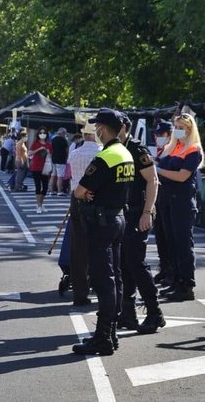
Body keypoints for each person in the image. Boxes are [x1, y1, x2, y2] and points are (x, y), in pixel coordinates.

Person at [71, 108, 134, 356]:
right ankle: (111, 332)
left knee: (102, 280)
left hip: (101, 223)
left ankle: (102, 337)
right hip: (118, 218)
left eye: (98, 126)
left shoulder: (105, 157)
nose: (96, 130)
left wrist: (84, 192)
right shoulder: (125, 153)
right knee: (115, 277)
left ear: (104, 129)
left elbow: (79, 191)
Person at [116, 114, 165, 334]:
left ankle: (155, 313)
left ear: (124, 127)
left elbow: (153, 180)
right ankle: (128, 313)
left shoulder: (136, 148)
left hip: (138, 213)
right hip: (123, 213)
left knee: (136, 263)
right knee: (124, 264)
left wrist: (147, 211)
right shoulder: (115, 148)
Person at [156, 112, 204, 302]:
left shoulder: (193, 150)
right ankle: (175, 280)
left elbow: (182, 176)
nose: (177, 130)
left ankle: (186, 284)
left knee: (183, 244)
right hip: (167, 199)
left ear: (190, 130)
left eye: (181, 127)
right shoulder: (172, 147)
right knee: (171, 242)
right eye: (176, 127)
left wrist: (158, 170)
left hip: (182, 202)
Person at [66, 122, 101, 306]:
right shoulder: (102, 152)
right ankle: (98, 284)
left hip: (76, 198)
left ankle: (79, 291)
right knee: (100, 245)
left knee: (78, 247)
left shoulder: (75, 153)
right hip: (96, 199)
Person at [152, 120, 174, 287]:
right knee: (160, 235)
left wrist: (156, 167)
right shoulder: (158, 151)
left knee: (169, 237)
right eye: (157, 134)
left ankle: (172, 271)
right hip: (158, 199)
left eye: (162, 135)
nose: (158, 137)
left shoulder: (173, 151)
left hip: (169, 197)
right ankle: (164, 267)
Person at [29, 127, 53, 214]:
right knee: (38, 186)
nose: (42, 134)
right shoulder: (35, 143)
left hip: (45, 167)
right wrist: (39, 149)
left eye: (44, 133)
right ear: (38, 134)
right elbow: (30, 153)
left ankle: (41, 203)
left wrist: (47, 151)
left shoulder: (49, 145)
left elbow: (50, 155)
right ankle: (39, 205)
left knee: (45, 187)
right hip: (36, 167)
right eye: (41, 133)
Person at [49, 128, 69, 195]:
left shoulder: (53, 140)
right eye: (65, 133)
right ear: (62, 133)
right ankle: (59, 191)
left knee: (53, 175)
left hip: (54, 159)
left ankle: (51, 191)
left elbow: (50, 150)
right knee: (60, 177)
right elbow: (66, 150)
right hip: (61, 160)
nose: (65, 134)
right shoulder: (64, 140)